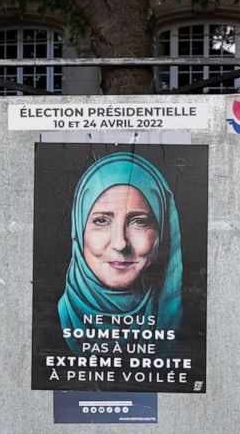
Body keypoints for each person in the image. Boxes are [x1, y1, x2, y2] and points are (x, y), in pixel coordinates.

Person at [58, 152, 182, 354]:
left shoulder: (188, 325)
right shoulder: (44, 323)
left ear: (162, 232)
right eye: (101, 221)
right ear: (79, 231)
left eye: (139, 222)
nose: (120, 243)